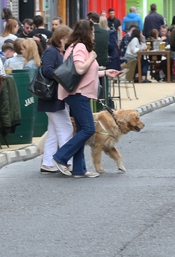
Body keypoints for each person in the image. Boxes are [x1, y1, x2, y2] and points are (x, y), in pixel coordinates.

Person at [49, 20, 120, 178]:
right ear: (86, 32)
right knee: (88, 129)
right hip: (78, 94)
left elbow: (84, 71)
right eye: (92, 31)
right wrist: (93, 56)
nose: (94, 34)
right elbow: (81, 68)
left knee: (82, 130)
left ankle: (79, 169)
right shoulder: (80, 47)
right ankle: (61, 157)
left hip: (78, 93)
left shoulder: (75, 46)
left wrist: (105, 73)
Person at [38, 25, 73, 173]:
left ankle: (48, 162)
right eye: (68, 39)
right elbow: (47, 70)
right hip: (52, 96)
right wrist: (64, 74)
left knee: (53, 130)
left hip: (53, 96)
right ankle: (66, 161)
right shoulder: (52, 52)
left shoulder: (55, 51)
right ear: (61, 39)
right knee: (66, 128)